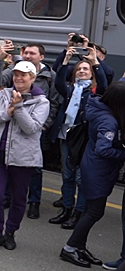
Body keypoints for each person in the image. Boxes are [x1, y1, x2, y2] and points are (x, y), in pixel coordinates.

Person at [0, 61, 50, 251]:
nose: (19, 78)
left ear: (33, 78)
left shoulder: (42, 102)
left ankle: (10, 233)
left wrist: (18, 108)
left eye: (24, 75)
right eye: (16, 74)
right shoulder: (4, 94)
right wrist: (6, 113)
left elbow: (31, 128)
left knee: (19, 198)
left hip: (23, 159)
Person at [58, 82, 125, 267]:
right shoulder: (109, 122)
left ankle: (79, 247)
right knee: (94, 212)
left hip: (92, 167)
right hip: (98, 171)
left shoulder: (99, 110)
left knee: (90, 210)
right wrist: (123, 153)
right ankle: (70, 248)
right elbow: (104, 149)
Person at [48, 48, 108, 229]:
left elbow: (105, 84)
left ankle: (78, 213)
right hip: (66, 135)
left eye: (85, 69)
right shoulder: (69, 89)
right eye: (79, 69)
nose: (82, 71)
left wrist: (95, 62)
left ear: (91, 74)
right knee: (67, 175)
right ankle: (66, 209)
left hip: (84, 139)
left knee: (81, 178)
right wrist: (66, 59)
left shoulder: (94, 92)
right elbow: (58, 81)